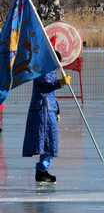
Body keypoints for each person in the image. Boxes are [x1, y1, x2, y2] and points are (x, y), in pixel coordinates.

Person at [22, 51, 71, 183]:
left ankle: (43, 169)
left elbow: (52, 95)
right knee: (47, 140)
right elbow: (44, 87)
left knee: (51, 141)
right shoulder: (42, 70)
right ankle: (41, 170)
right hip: (43, 110)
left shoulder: (51, 71)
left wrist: (57, 110)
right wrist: (60, 83)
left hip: (50, 109)